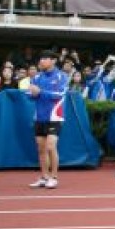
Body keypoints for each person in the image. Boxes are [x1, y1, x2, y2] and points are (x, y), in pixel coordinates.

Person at [27, 50, 69, 189]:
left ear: (53, 61)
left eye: (45, 59)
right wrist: (32, 93)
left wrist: (40, 92)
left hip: (55, 116)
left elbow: (60, 94)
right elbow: (30, 95)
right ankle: (44, 177)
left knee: (51, 146)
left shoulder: (62, 76)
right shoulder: (37, 77)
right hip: (39, 116)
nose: (41, 61)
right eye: (41, 59)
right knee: (41, 148)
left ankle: (54, 177)